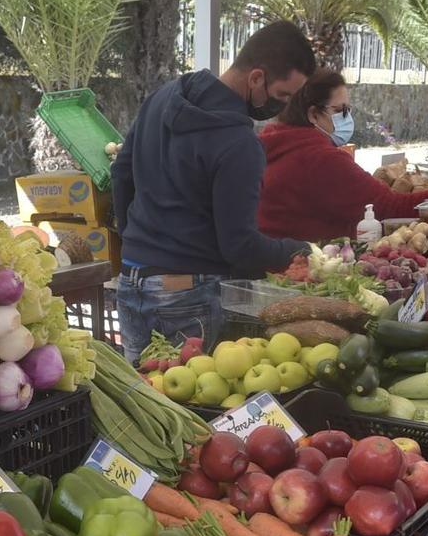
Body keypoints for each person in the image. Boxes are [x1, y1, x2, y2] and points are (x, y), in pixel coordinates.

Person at [109, 21, 315, 359]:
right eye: (281, 96)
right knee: (192, 408)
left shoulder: (162, 98)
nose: (280, 106)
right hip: (187, 298)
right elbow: (240, 247)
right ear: (256, 78)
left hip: (131, 282)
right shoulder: (239, 144)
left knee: (144, 403)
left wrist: (135, 238)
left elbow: (120, 173)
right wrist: (299, 250)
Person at [256, 70, 428, 240]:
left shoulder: (273, 143)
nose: (348, 119)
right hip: (298, 274)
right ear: (314, 114)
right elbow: (390, 209)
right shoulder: (319, 158)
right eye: (341, 110)